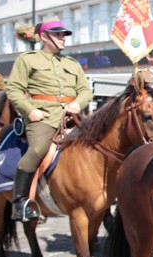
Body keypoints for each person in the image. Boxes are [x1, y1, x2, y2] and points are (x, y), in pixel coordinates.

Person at [6, 17, 93, 221]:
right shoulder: (28, 60)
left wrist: (77, 104)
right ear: (44, 37)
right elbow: (14, 89)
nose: (63, 38)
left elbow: (85, 91)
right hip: (43, 117)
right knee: (37, 150)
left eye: (64, 34)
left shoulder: (72, 63)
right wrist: (30, 111)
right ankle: (19, 202)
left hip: (73, 117)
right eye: (58, 34)